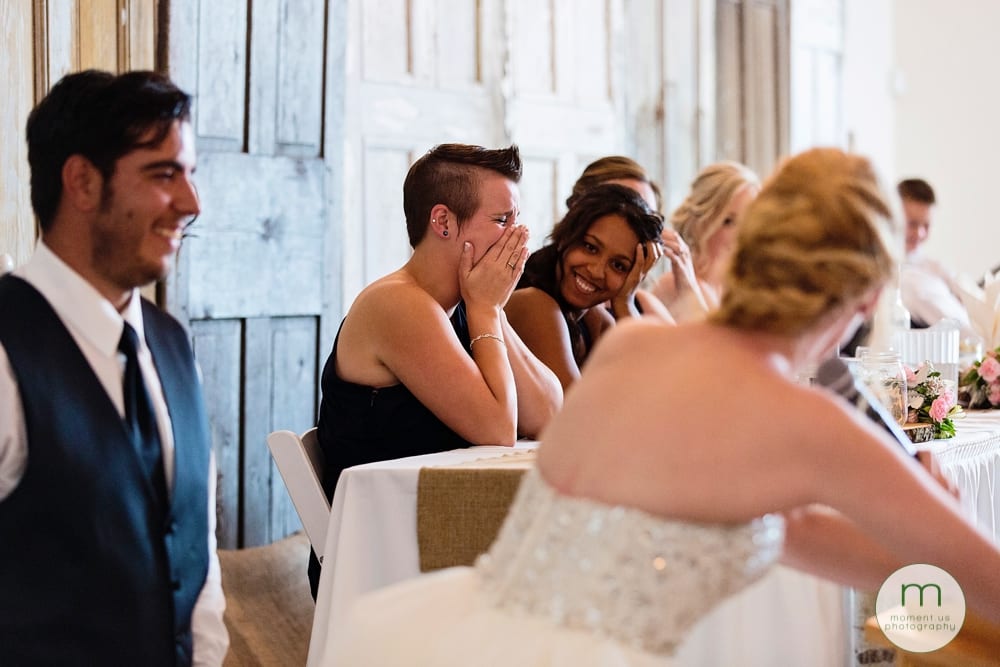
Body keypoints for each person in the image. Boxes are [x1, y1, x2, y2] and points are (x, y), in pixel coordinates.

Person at [325, 147, 1000, 665]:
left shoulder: (634, 347)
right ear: (860, 302)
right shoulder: (809, 420)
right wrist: (946, 523)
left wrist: (917, 557)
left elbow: (780, 531)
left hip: (463, 638)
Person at [0, 70, 227, 665]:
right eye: (163, 174)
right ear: (82, 181)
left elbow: (194, 555)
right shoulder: (6, 350)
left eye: (191, 174)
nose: (191, 204)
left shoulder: (173, 347)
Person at [311, 143, 563, 594]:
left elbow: (548, 413)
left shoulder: (465, 304)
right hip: (382, 553)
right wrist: (486, 309)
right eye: (502, 220)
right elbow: (497, 430)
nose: (516, 237)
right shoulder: (396, 302)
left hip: (439, 529)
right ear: (444, 222)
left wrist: (491, 310)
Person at [504, 184, 664, 389]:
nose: (597, 271)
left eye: (618, 265)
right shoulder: (534, 303)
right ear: (564, 237)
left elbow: (648, 394)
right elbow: (576, 417)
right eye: (590, 247)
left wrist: (625, 303)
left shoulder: (597, 321)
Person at [566, 155, 700, 321]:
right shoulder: (554, 298)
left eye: (645, 218)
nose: (629, 226)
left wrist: (687, 285)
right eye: (619, 207)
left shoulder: (643, 303)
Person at [650, 160, 760, 322]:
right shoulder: (674, 286)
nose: (742, 233)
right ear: (699, 224)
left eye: (749, 220)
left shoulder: (745, 290)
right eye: (728, 221)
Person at [897, 178, 976, 339]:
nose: (920, 233)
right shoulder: (909, 280)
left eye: (926, 225)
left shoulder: (934, 267)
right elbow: (965, 332)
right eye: (912, 224)